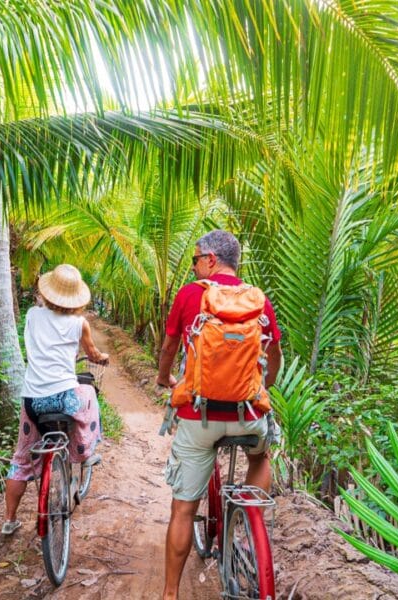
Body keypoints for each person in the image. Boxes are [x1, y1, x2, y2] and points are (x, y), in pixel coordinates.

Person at [156, 229, 283, 599]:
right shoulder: (257, 299)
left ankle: (170, 593)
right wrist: (264, 386)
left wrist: (164, 378)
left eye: (195, 259)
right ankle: (249, 524)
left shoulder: (189, 295)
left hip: (200, 418)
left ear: (211, 260)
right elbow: (274, 354)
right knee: (260, 456)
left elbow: (169, 347)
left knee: (183, 510)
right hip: (247, 414)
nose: (193, 266)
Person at [1, 264, 109, 535]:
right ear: (76, 298)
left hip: (33, 401)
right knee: (88, 393)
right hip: (64, 398)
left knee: (21, 459)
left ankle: (9, 520)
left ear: (47, 293)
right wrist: (101, 358)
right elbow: (93, 354)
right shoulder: (79, 324)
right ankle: (84, 451)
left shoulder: (32, 315)